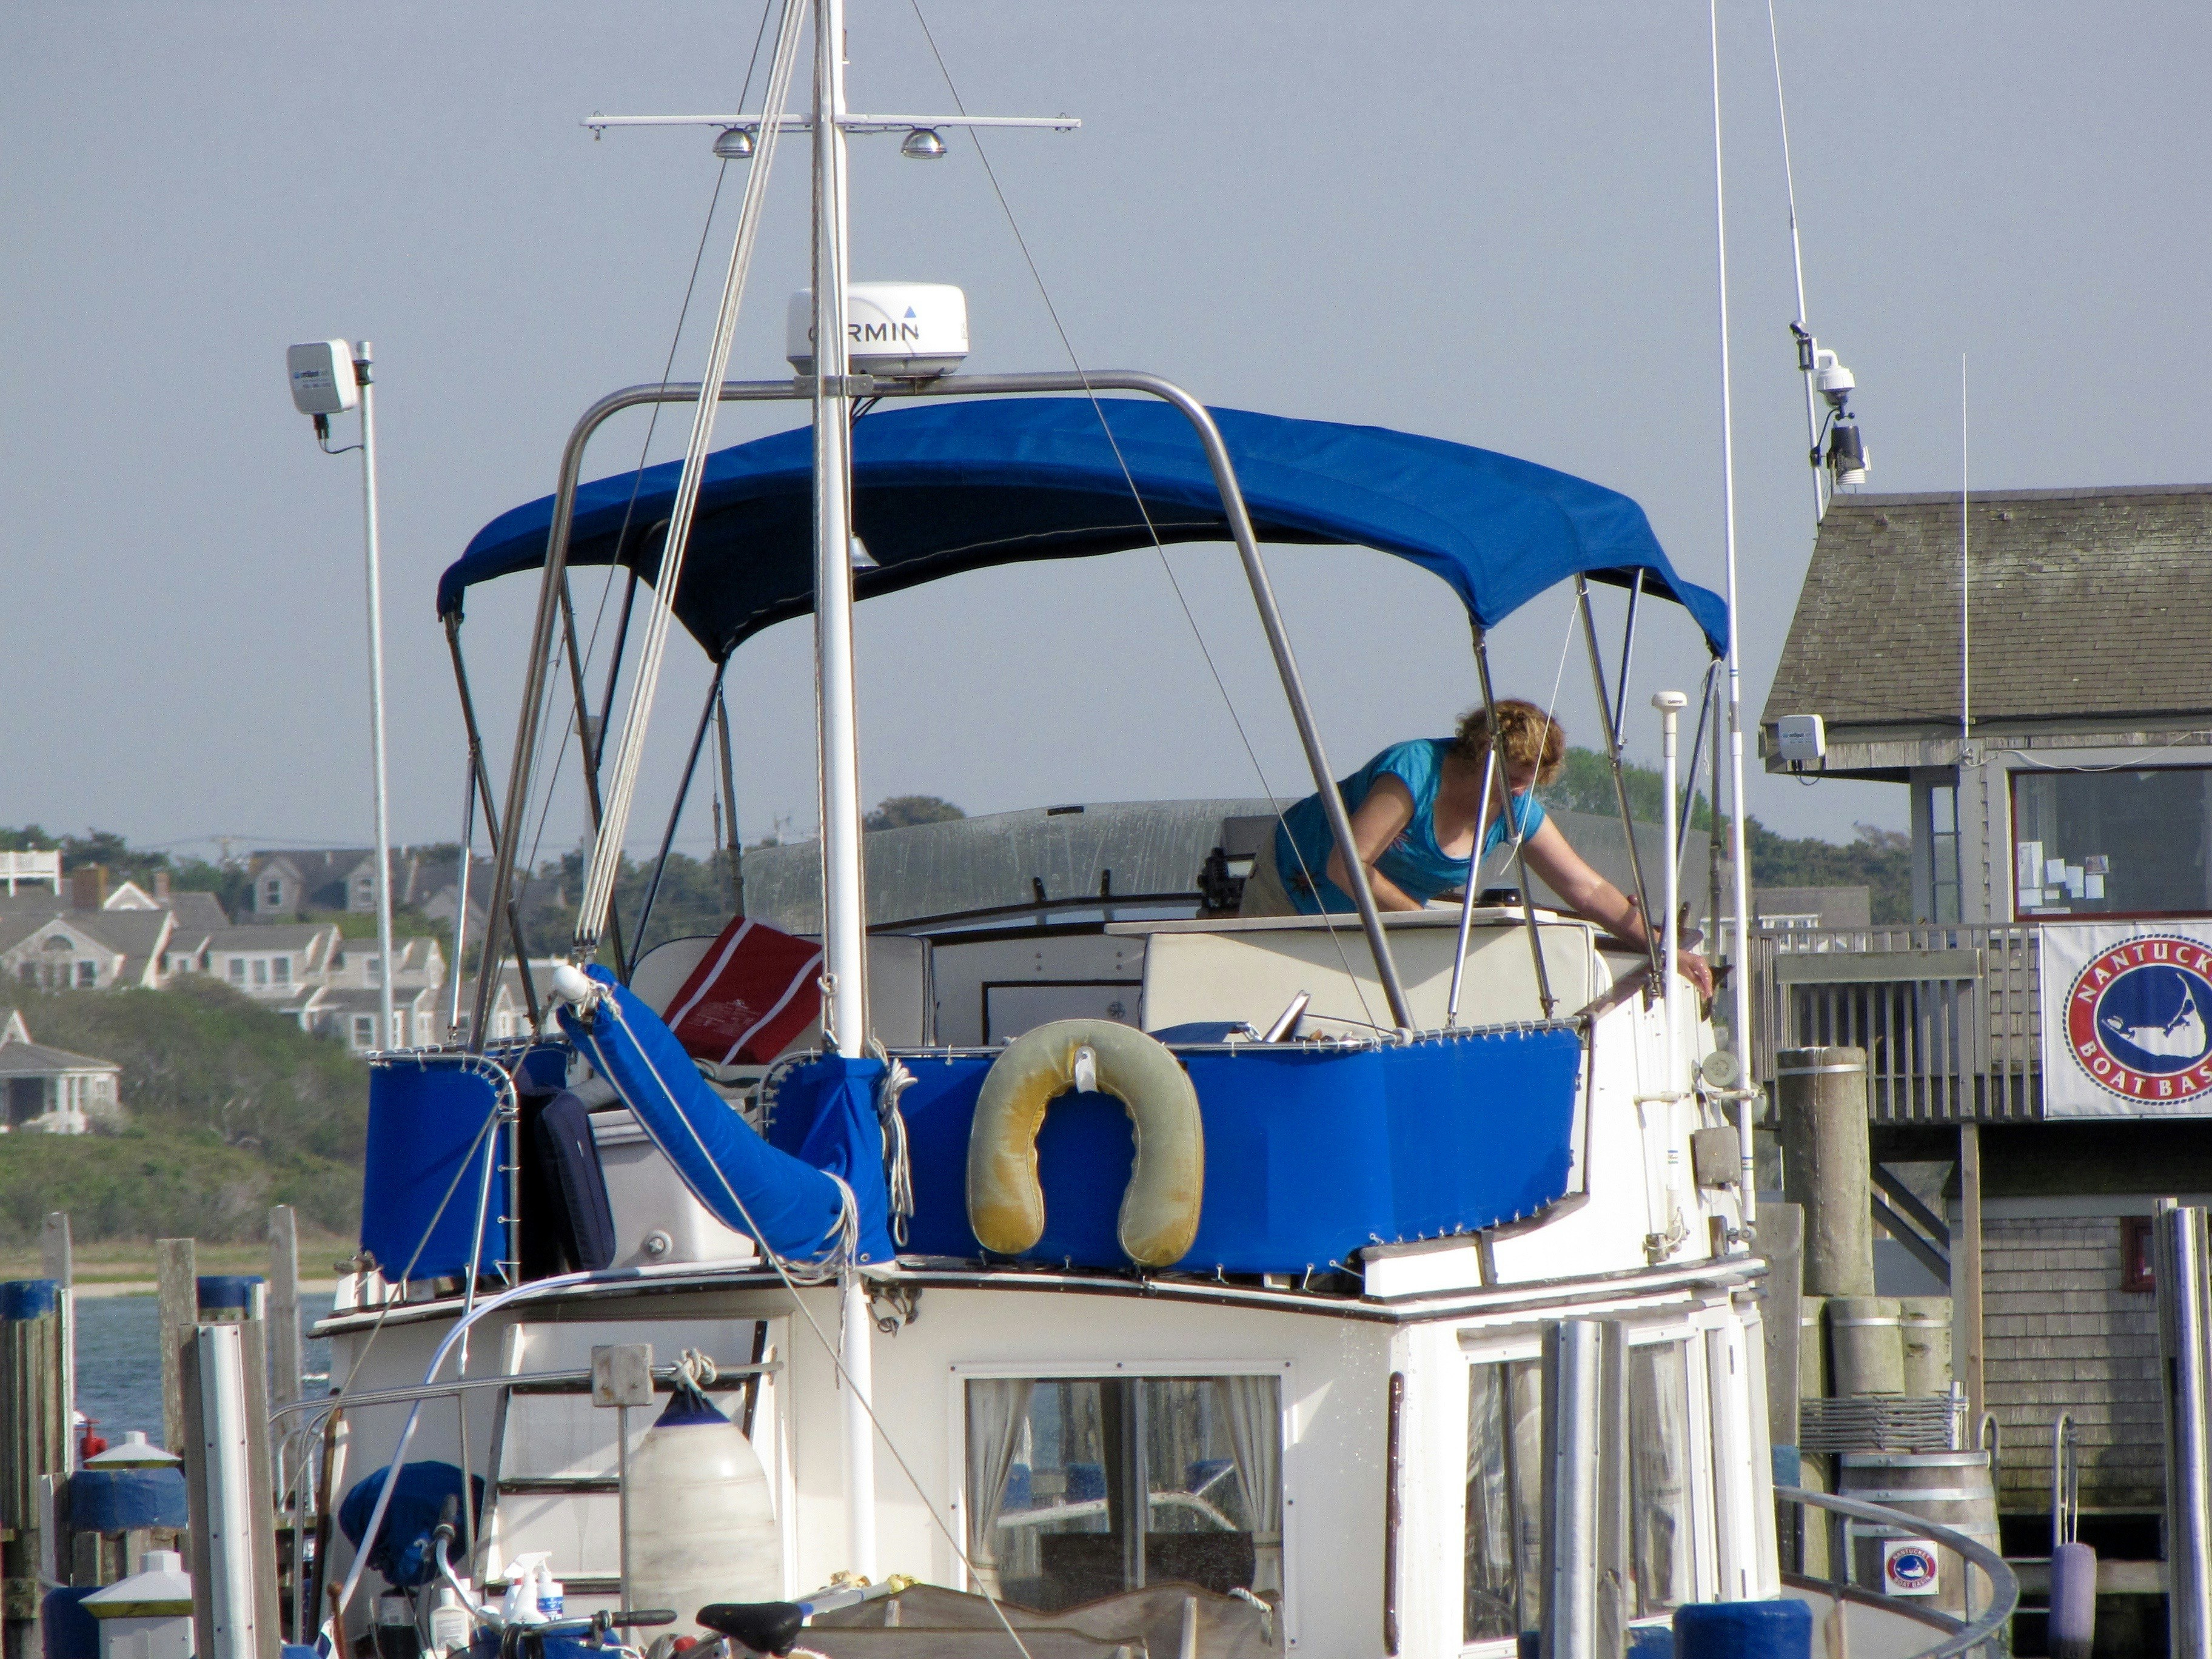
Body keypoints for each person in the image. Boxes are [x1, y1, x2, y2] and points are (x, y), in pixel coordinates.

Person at [1237, 697, 1714, 997]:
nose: (1519, 794)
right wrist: (1429, 926)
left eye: (1530, 784)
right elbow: (1347, 866)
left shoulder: (1516, 807)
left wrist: (1663, 949)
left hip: (1382, 924)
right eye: (1512, 779)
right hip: (1291, 888)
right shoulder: (1414, 772)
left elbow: (1586, 888)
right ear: (1482, 754)